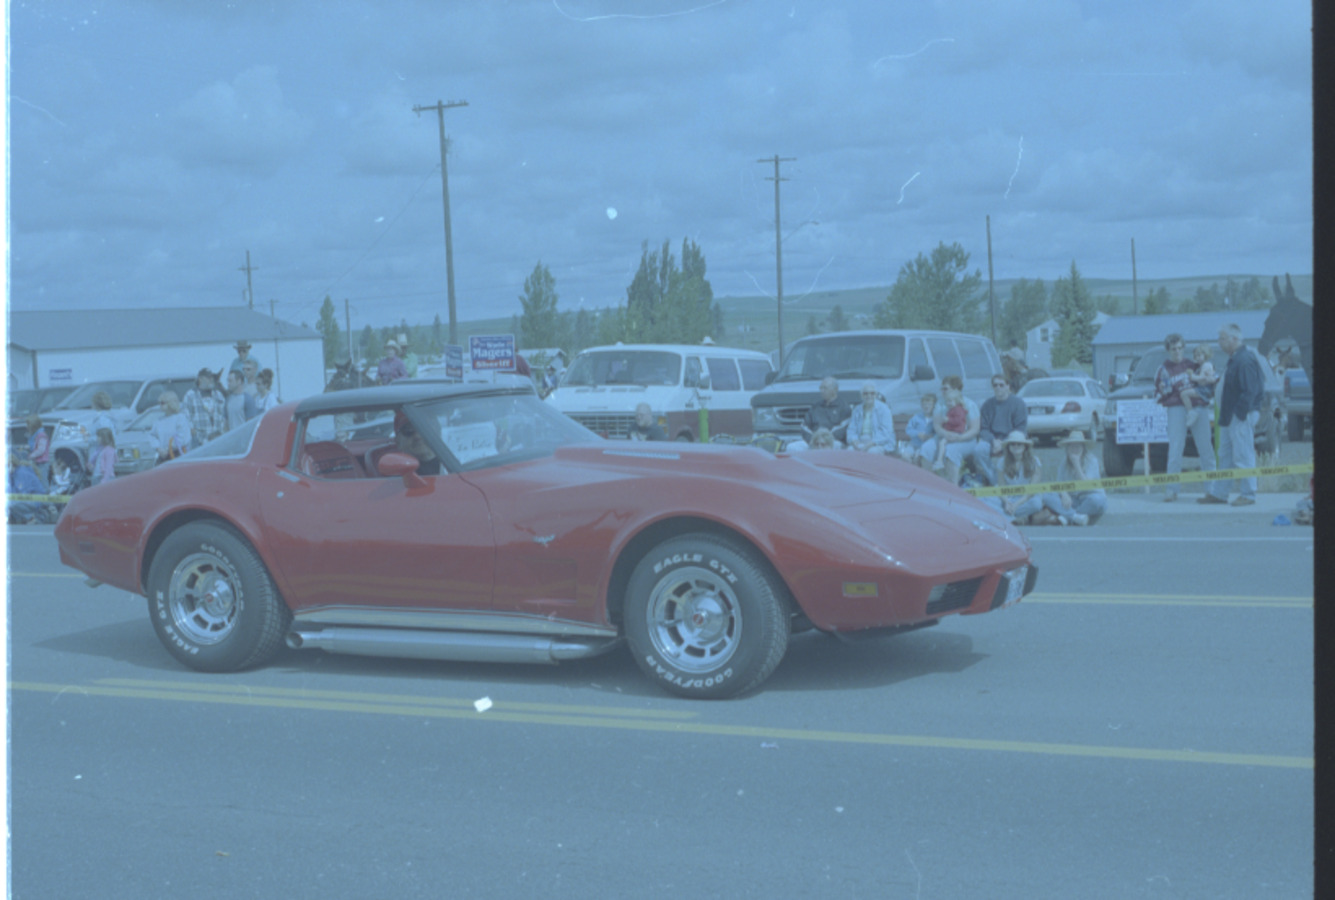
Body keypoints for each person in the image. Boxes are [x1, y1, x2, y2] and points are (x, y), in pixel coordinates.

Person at [1200, 323, 1264, 506]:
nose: (1219, 342)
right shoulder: (1235, 359)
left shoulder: (1245, 360)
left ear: (1234, 339)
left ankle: (1248, 494)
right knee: (1225, 456)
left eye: (1222, 338)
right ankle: (1220, 493)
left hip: (1239, 416)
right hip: (1229, 416)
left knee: (1243, 455)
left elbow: (1250, 390)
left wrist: (1240, 414)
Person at [1155, 333, 1218, 503]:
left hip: (1197, 407)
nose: (1177, 352)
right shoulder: (1164, 369)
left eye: (1179, 348)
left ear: (1183, 348)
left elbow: (1209, 380)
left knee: (1206, 448)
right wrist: (1162, 389)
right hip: (1176, 407)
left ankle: (1212, 489)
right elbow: (1158, 393)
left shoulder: (1192, 365)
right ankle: (1172, 489)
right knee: (1175, 448)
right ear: (1168, 350)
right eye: (1173, 349)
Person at [983, 432, 1072, 525]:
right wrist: (1006, 502)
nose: (1016, 446)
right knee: (984, 500)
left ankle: (1007, 516)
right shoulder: (1002, 462)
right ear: (1008, 447)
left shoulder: (1034, 461)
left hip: (1027, 498)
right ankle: (1012, 518)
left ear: (1025, 446)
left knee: (1036, 504)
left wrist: (1016, 504)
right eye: (1013, 444)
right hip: (1009, 497)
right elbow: (1001, 487)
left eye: (1019, 444)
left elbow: (1032, 490)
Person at [973, 374, 1028, 485]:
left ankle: (1016, 481)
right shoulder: (987, 405)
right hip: (992, 440)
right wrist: (993, 441)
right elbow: (983, 428)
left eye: (1001, 385)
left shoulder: (1018, 404)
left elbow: (1021, 428)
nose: (998, 387)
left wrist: (1004, 442)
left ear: (1008, 386)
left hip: (1012, 439)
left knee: (1017, 450)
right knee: (978, 451)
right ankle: (996, 481)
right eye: (995, 385)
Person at [931, 375, 980, 483]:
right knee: (927, 449)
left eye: (945, 388)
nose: (942, 391)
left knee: (951, 451)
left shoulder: (969, 404)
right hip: (944, 436)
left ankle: (952, 485)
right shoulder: (940, 404)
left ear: (956, 389)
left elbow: (975, 429)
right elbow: (937, 425)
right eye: (942, 388)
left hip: (966, 439)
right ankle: (932, 485)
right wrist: (945, 433)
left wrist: (959, 438)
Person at [1054, 431, 1105, 524]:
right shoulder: (1064, 462)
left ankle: (1068, 516)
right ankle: (1075, 517)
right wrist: (1064, 494)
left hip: (1089, 497)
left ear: (1083, 448)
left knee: (1098, 501)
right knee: (1048, 496)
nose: (1075, 449)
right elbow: (1059, 483)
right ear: (1067, 448)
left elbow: (1087, 485)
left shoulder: (1092, 461)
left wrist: (1076, 464)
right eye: (1072, 446)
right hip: (1072, 499)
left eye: (1077, 446)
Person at [801, 376, 852, 446]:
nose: (822, 391)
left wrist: (825, 439)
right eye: (821, 388)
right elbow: (804, 426)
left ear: (835, 389)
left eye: (825, 388)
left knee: (836, 445)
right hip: (813, 441)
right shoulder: (815, 407)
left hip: (833, 442)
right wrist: (813, 439)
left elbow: (843, 428)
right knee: (792, 447)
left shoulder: (844, 407)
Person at [846, 381, 895, 453]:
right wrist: (854, 441)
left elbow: (886, 432)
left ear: (876, 395)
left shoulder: (884, 409)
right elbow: (851, 429)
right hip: (860, 441)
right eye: (865, 393)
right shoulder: (857, 410)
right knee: (849, 451)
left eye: (872, 393)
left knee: (872, 452)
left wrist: (869, 445)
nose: (869, 396)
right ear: (862, 395)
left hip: (879, 443)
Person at [182, 368, 225, 447]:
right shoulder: (190, 395)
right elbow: (186, 417)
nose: (211, 380)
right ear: (200, 379)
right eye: (208, 378)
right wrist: (194, 433)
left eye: (212, 377)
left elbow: (223, 415)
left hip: (218, 440)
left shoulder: (218, 394)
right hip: (199, 442)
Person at [1179, 345, 1219, 427]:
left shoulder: (1206, 365)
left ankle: (1191, 413)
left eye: (1199, 355)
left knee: (1184, 394)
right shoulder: (1203, 365)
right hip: (1203, 389)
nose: (1197, 358)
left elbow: (1202, 380)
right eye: (1195, 356)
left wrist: (1192, 376)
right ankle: (1191, 412)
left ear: (1205, 354)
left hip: (1204, 390)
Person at [393, 411, 441, 475]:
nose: (418, 436)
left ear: (438, 433)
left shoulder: (452, 464)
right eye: (408, 430)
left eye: (424, 429)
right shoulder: (396, 476)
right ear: (398, 442)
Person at [150, 391, 192, 463]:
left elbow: (183, 438)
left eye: (162, 403)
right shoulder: (159, 421)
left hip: (178, 455)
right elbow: (152, 436)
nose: (160, 405)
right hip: (163, 456)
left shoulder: (180, 418)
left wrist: (168, 448)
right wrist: (158, 448)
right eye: (159, 403)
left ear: (171, 403)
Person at [8, 453, 48, 524]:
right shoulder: (13, 474)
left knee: (9, 503)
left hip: (35, 500)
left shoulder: (21, 473)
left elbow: (22, 494)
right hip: (27, 499)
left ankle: (31, 517)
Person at [904, 394, 936, 465]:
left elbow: (937, 433)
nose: (926, 406)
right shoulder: (917, 417)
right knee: (905, 456)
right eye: (924, 404)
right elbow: (908, 430)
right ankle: (909, 469)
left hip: (925, 446)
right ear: (921, 405)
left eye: (929, 404)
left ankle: (915, 470)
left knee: (917, 458)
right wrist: (917, 434)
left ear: (933, 406)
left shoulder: (935, 419)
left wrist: (930, 437)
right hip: (914, 444)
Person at [26, 414, 51, 482]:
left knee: (43, 480)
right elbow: (35, 446)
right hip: (37, 462)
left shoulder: (42, 436)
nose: (27, 427)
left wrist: (31, 456)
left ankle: (45, 489)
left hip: (43, 462)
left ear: (33, 426)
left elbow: (41, 450)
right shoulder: (35, 435)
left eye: (28, 425)